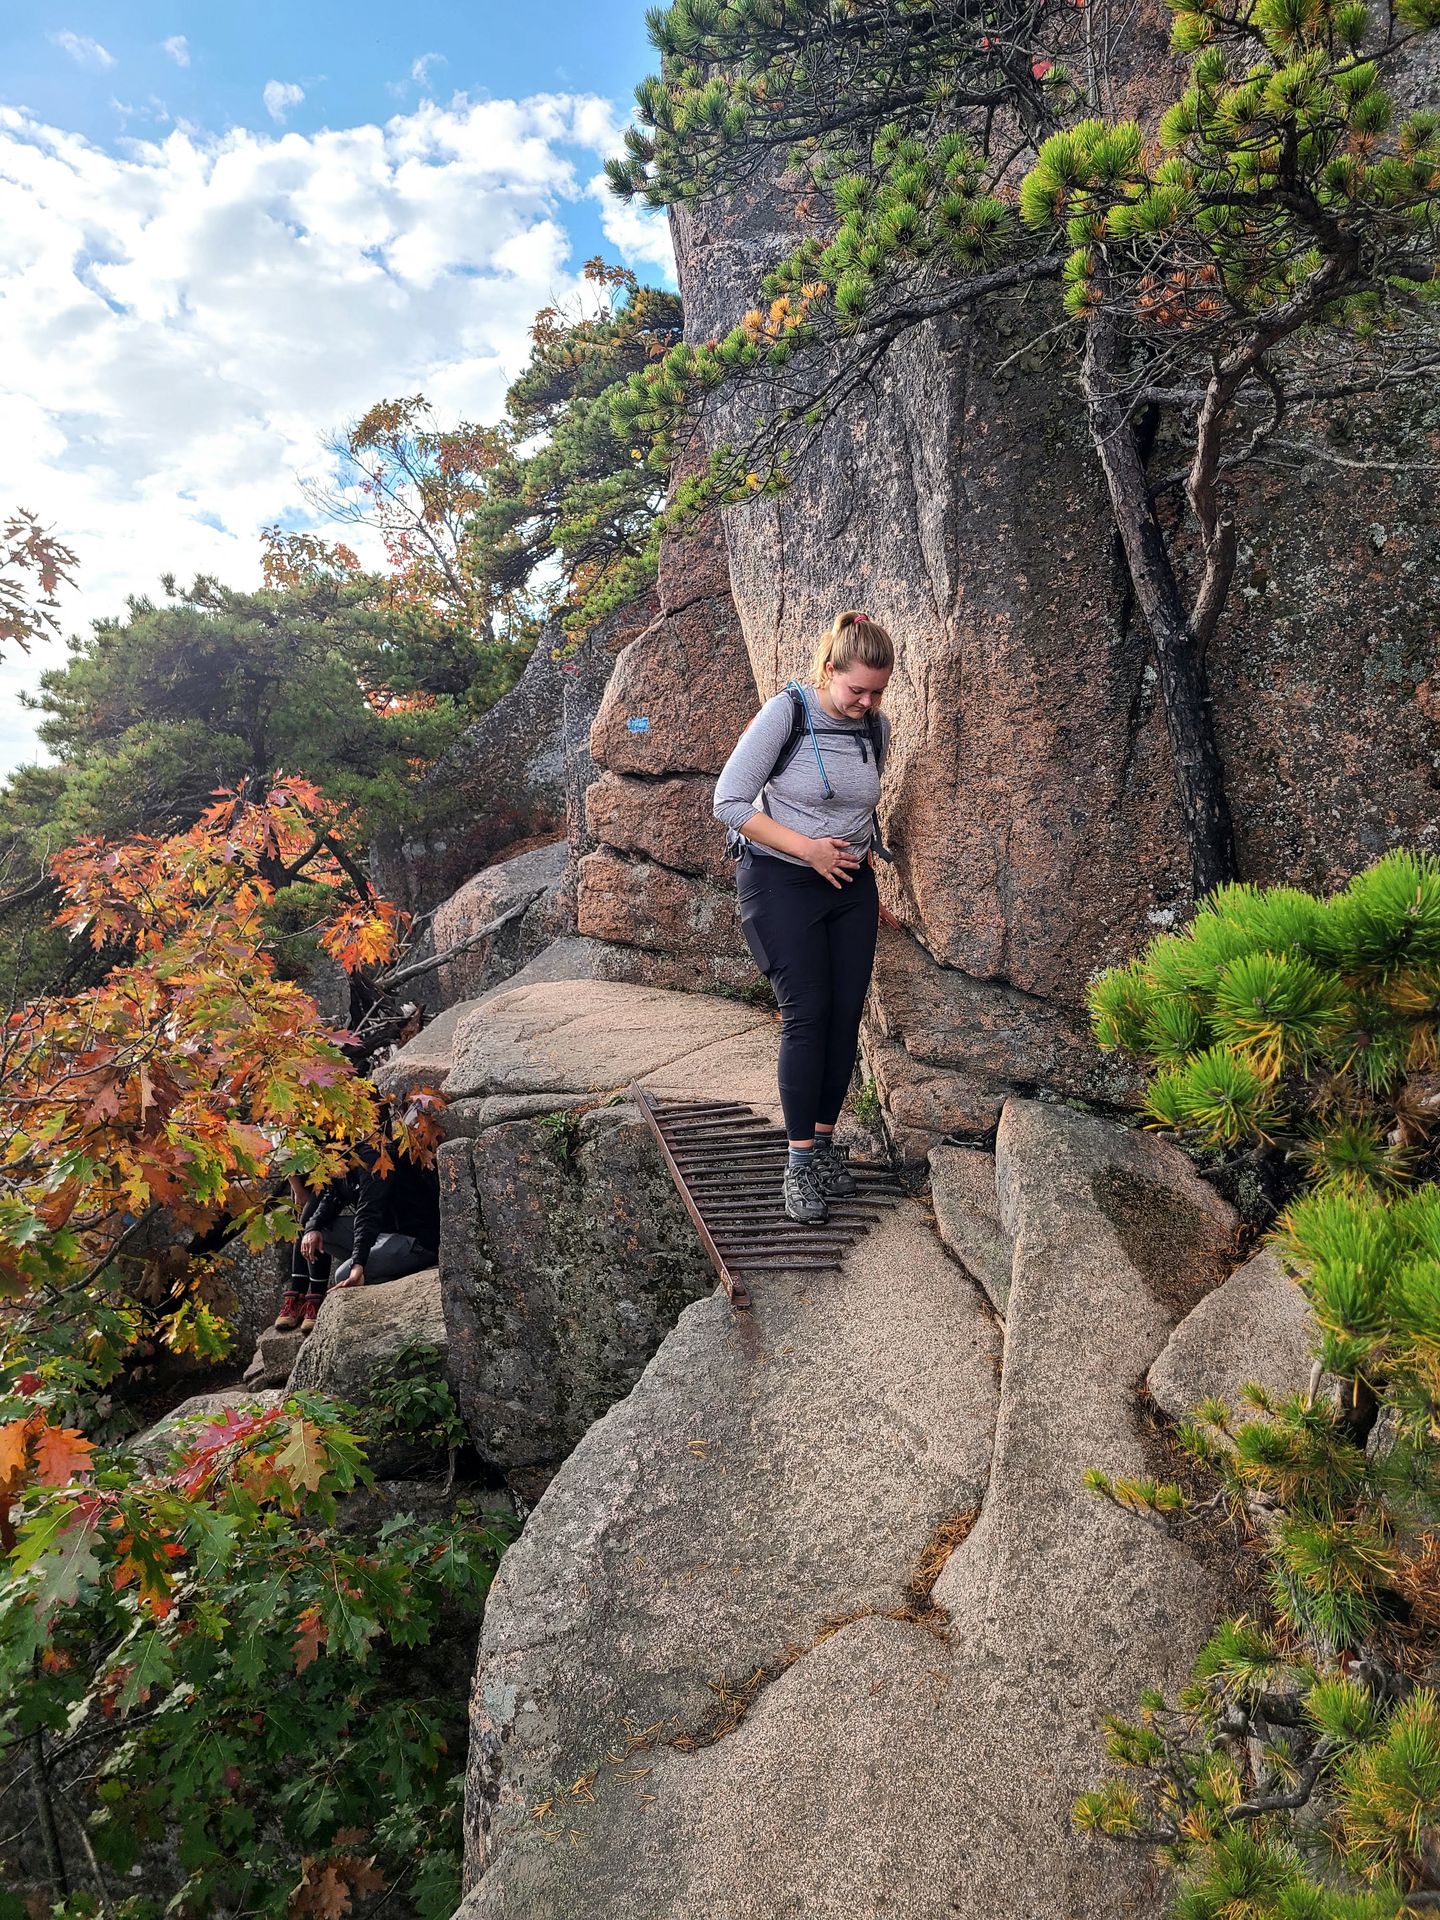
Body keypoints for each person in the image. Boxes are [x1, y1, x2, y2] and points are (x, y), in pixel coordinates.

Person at [713, 610, 895, 1226]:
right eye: (856, 690)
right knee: (808, 1013)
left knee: (846, 1018)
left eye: (877, 692)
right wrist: (809, 849)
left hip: (849, 885)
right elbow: (729, 801)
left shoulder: (875, 727)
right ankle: (796, 1163)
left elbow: (860, 808)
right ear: (829, 671)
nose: (866, 702)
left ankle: (821, 1143)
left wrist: (867, 876)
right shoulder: (785, 714)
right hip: (780, 878)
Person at [274, 1144, 438, 1334]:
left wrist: (358, 1263)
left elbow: (368, 1214)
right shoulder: (339, 1163)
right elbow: (329, 1198)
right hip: (381, 1234)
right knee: (320, 1232)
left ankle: (393, 1274)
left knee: (344, 1276)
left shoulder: (373, 1159)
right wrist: (313, 1228)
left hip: (415, 1239)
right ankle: (311, 1300)